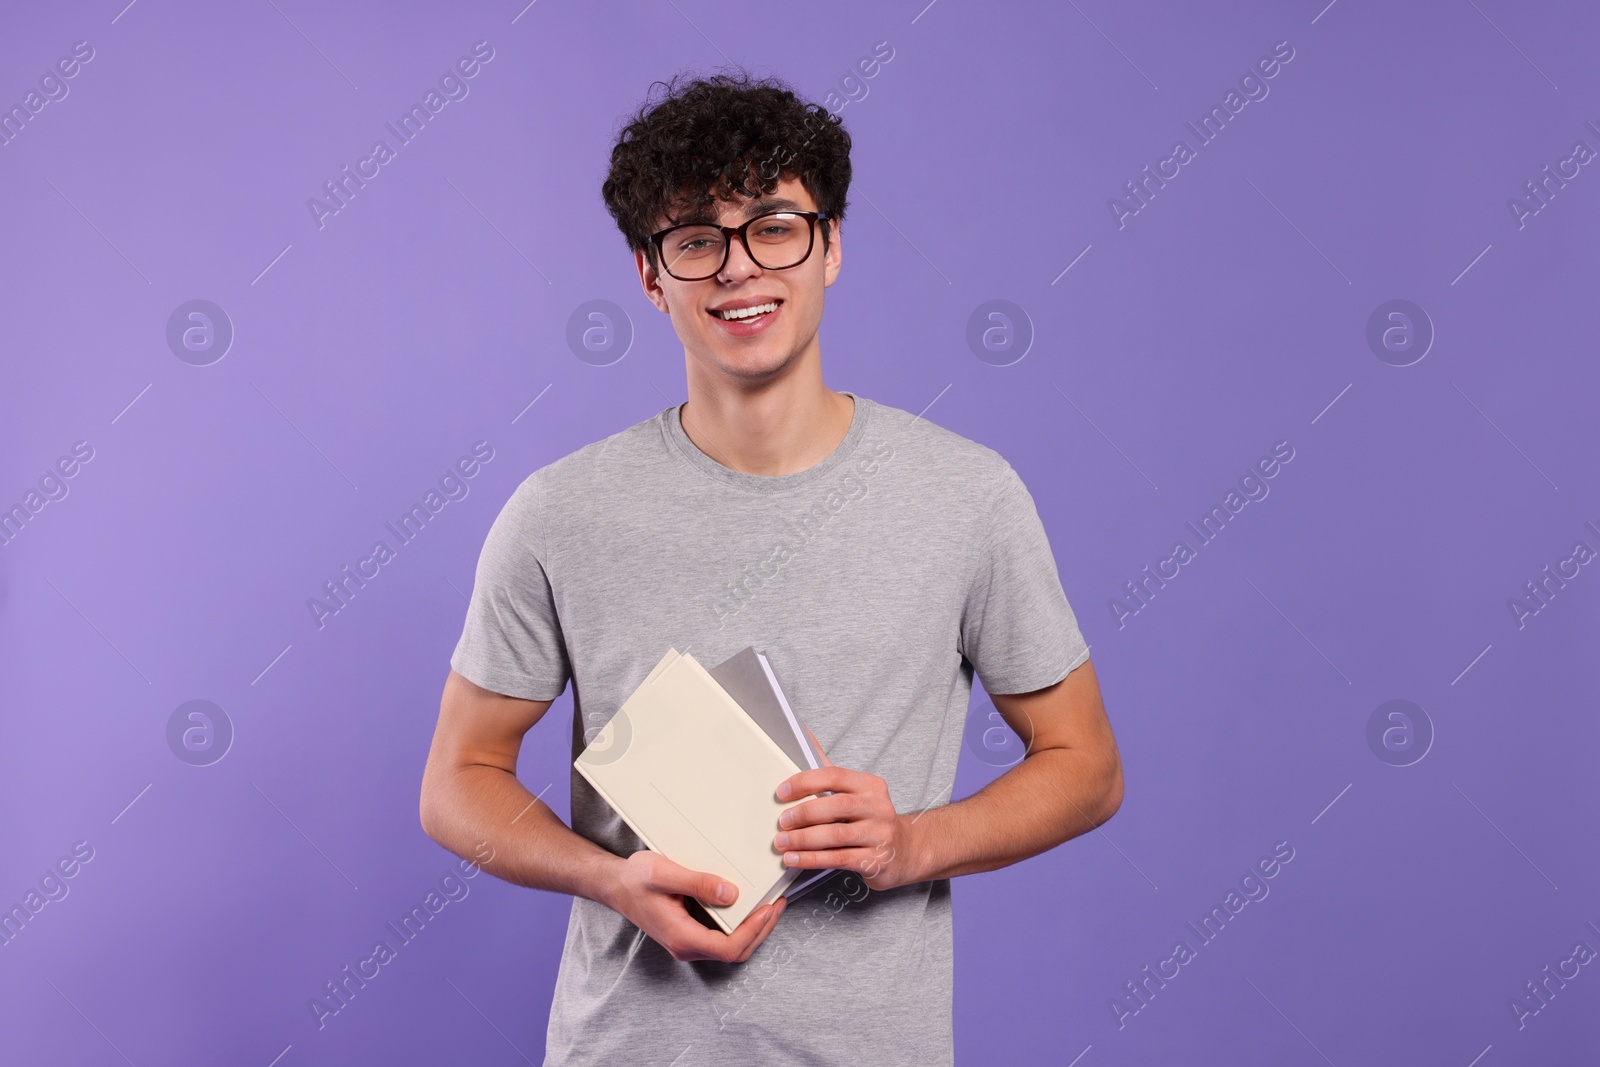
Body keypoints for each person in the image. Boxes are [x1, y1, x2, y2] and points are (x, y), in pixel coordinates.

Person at [419, 69, 1123, 1066]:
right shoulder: (559, 513)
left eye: (775, 225)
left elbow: (1086, 764)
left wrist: (909, 842)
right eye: (696, 239)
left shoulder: (967, 495)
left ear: (830, 245)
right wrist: (605, 876)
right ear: (649, 274)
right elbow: (456, 780)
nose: (738, 269)